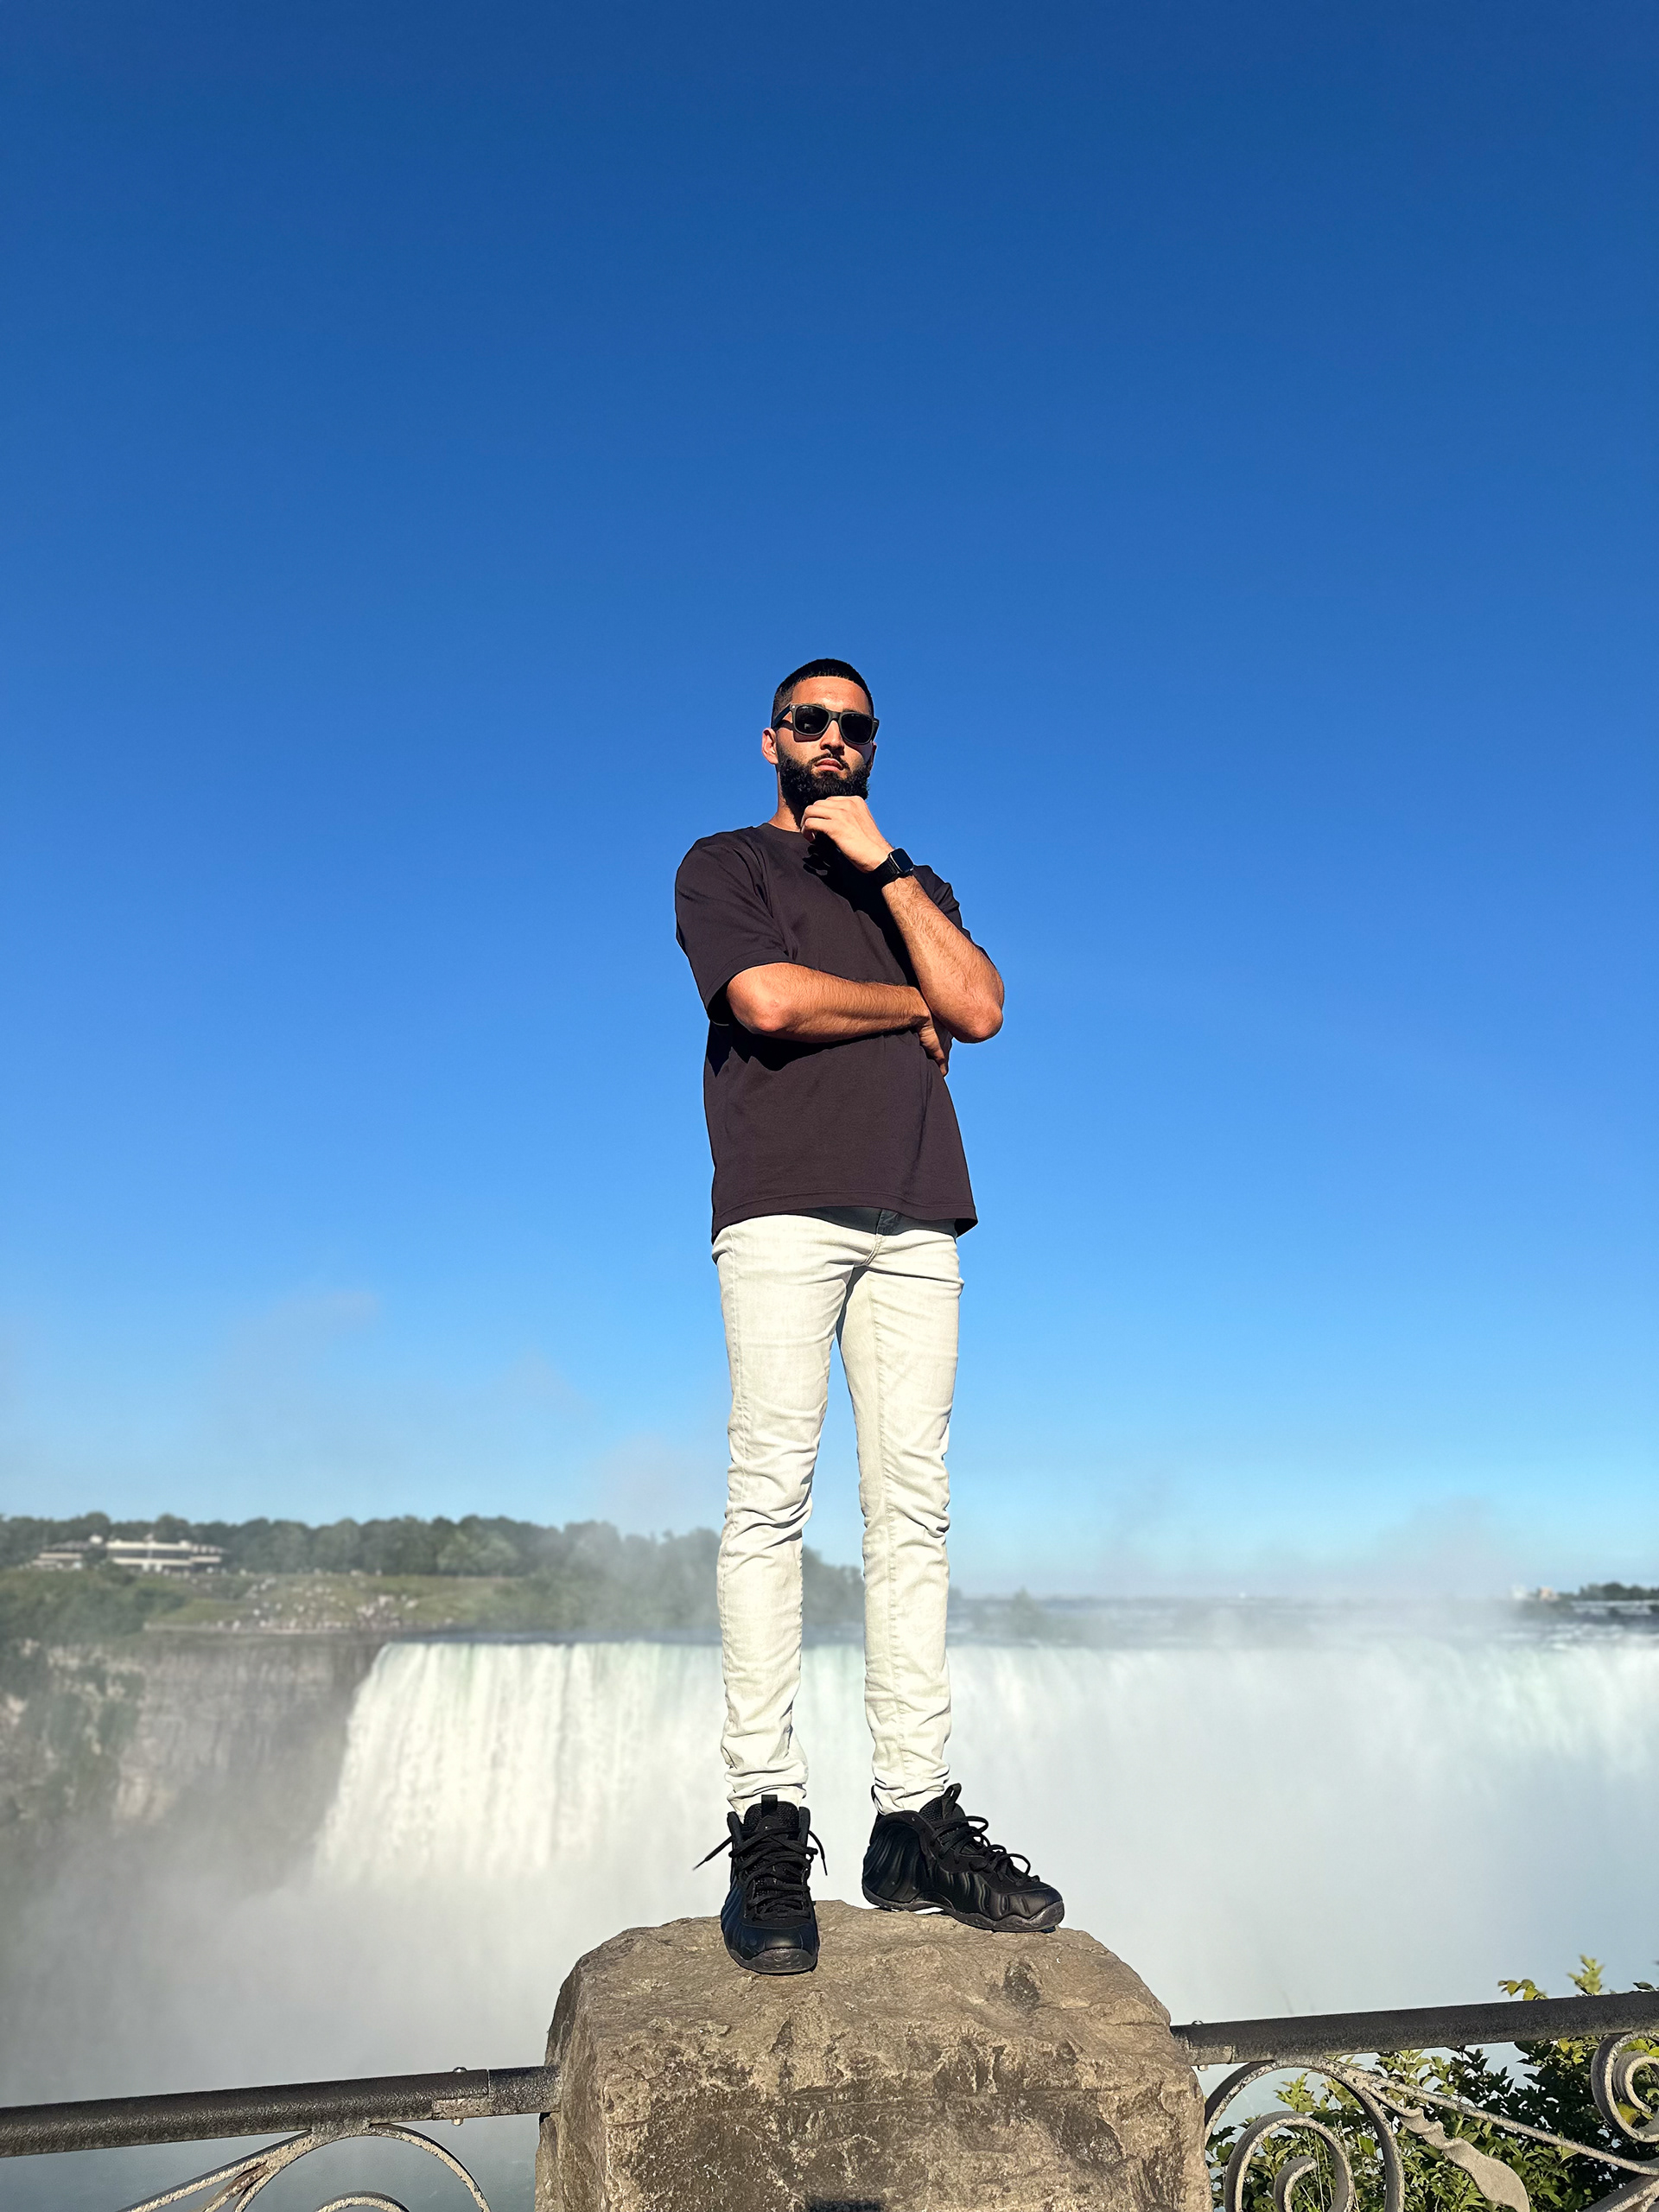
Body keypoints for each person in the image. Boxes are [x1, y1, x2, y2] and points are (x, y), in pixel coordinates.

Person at [674, 656, 1065, 1975]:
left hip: (919, 1219)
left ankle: (914, 1819)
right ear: (772, 738)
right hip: (783, 1209)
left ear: (873, 748)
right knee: (770, 1500)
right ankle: (768, 1817)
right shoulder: (723, 866)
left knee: (912, 1512)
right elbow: (766, 1001)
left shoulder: (914, 887)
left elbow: (988, 1009)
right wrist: (910, 1008)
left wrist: (887, 868)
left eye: (855, 728)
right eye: (812, 722)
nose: (833, 740)